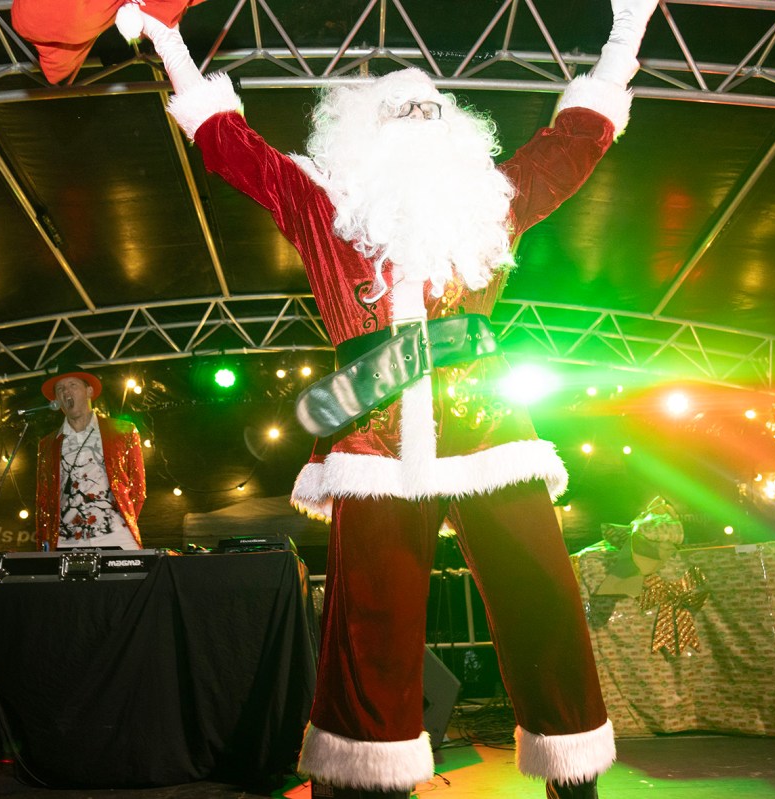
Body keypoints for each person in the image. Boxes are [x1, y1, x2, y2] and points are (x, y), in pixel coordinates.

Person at [137, 3, 659, 797]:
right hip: (375, 444)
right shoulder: (325, 207)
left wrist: (628, 31)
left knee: (544, 598)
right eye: (400, 113)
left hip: (489, 433)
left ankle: (573, 774)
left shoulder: (490, 203)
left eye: (431, 112)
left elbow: (576, 141)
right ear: (362, 138)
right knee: (371, 621)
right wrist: (169, 40)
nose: (418, 124)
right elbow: (228, 145)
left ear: (455, 136)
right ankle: (366, 783)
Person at [34, 368, 147, 551]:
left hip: (117, 535)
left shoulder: (123, 431)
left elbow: (138, 488)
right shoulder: (48, 444)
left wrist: (119, 519)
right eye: (60, 389)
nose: (66, 392)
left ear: (89, 391)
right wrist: (44, 541)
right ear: (56, 400)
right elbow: (44, 499)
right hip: (67, 539)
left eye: (73, 385)